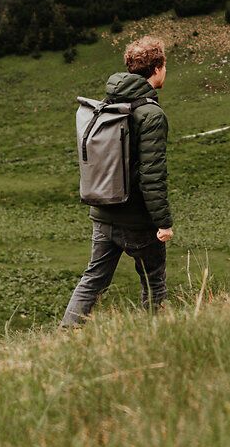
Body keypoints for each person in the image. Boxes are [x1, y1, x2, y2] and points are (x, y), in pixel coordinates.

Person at [60, 35, 173, 325]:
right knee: (153, 282)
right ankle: (154, 337)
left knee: (93, 280)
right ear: (157, 68)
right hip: (136, 219)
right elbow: (152, 175)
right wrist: (163, 222)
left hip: (104, 212)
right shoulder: (151, 115)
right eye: (164, 65)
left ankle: (65, 334)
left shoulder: (108, 104)